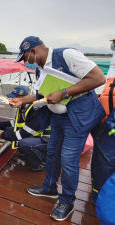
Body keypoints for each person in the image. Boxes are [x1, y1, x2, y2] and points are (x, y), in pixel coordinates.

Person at [12, 36, 105, 221]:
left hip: (77, 116)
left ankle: (67, 200)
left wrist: (63, 93)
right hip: (58, 116)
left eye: (25, 57)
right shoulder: (40, 70)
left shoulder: (67, 55)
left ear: (34, 52)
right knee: (53, 152)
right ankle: (49, 188)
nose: (25, 61)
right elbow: (41, 95)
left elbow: (98, 78)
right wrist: (22, 100)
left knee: (69, 159)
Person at [0, 86, 50, 172]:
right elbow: (16, 124)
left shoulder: (36, 109)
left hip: (47, 140)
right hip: (34, 135)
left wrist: (2, 134)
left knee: (23, 143)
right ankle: (29, 153)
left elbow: (24, 133)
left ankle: (41, 162)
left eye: (13, 98)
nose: (10, 100)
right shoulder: (23, 108)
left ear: (22, 98)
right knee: (9, 130)